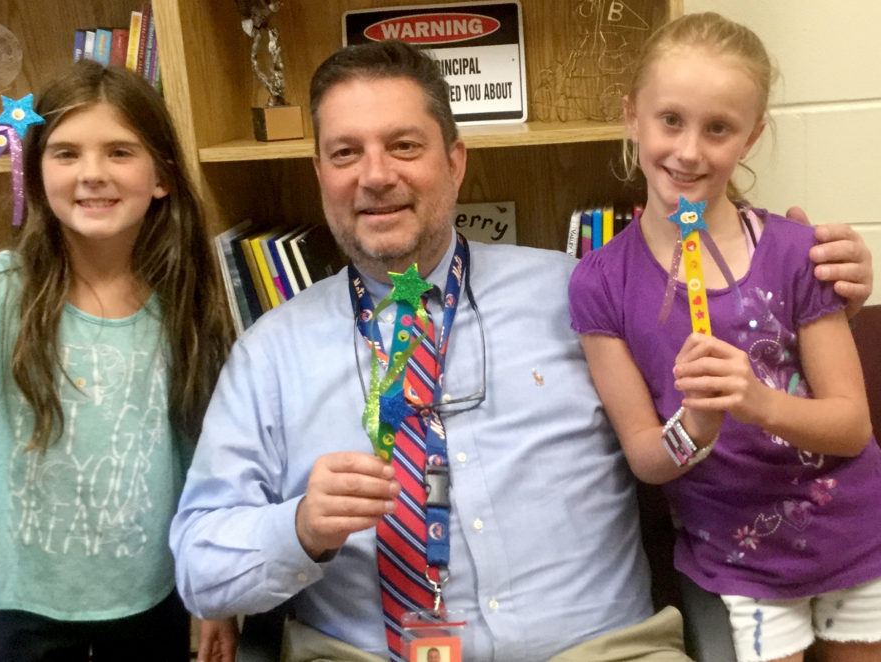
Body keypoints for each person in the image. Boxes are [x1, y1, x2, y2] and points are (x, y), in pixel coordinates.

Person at [170, 40, 874, 661]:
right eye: (345, 152)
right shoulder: (269, 352)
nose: (374, 175)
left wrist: (819, 277)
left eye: (404, 146)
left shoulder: (580, 293)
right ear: (320, 171)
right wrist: (293, 530)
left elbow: (733, 338)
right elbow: (199, 565)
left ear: (455, 161)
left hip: (600, 651)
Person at [0, 60, 237, 662]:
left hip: (154, 602)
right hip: (23, 608)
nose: (92, 173)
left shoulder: (186, 301)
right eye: (65, 153)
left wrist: (214, 594)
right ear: (35, 176)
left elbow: (205, 461)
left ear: (162, 177)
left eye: (120, 151)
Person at [569, 13, 881, 662]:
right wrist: (697, 426)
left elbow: (851, 427)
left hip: (855, 533)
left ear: (752, 136)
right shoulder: (599, 284)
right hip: (742, 561)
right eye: (670, 120)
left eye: (718, 128)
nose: (689, 152)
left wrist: (756, 401)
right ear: (632, 116)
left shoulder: (799, 254)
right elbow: (647, 457)